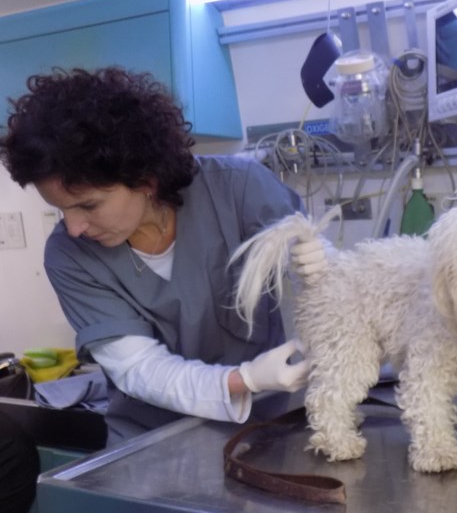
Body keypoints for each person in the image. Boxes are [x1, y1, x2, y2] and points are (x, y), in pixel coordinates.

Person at [0, 67, 310, 445]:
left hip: (269, 430)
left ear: (146, 179)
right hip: (150, 445)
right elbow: (139, 369)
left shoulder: (241, 191)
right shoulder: (69, 254)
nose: (75, 227)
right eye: (61, 210)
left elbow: (314, 286)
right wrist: (245, 379)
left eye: (88, 205)